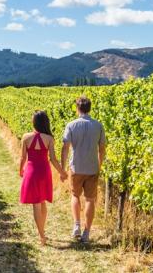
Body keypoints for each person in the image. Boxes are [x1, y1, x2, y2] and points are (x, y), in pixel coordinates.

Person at [61, 96, 106, 243]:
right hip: (92, 167)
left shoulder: (71, 125)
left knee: (75, 196)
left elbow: (65, 147)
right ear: (90, 108)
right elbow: (102, 148)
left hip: (76, 167)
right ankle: (87, 233)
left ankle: (76, 225)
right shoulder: (98, 126)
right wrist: (99, 164)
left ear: (77, 108)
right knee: (90, 200)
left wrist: (62, 167)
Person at [20, 110, 68, 245]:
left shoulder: (26, 137)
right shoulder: (49, 139)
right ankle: (43, 230)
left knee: (36, 203)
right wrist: (62, 172)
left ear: (34, 122)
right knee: (42, 201)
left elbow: (23, 157)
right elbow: (53, 159)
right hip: (44, 171)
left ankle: (41, 235)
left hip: (31, 170)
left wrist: (20, 170)